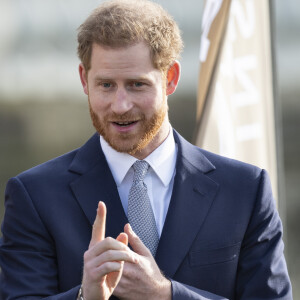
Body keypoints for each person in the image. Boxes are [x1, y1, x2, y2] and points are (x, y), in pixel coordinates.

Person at [0, 0, 292, 299]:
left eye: (137, 84)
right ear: (84, 80)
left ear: (171, 78)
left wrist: (166, 294)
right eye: (106, 85)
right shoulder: (35, 195)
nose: (120, 105)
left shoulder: (245, 190)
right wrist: (86, 296)